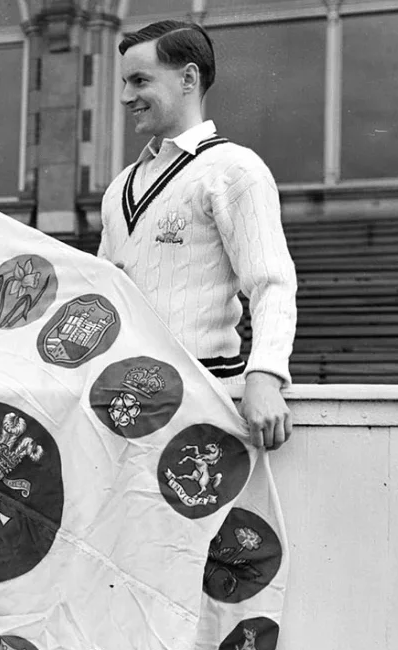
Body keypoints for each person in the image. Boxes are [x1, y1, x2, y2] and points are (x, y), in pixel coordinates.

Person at [99, 20, 297, 449]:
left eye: (140, 81)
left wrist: (263, 376)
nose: (125, 96)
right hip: (124, 403)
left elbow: (272, 283)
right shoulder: (119, 188)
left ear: (189, 78)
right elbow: (102, 296)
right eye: (124, 82)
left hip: (206, 399)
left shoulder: (234, 169)